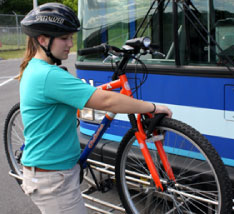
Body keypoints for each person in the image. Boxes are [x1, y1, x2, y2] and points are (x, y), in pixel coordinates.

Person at [19, 3, 172, 214]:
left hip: (53, 172)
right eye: (64, 38)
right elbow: (107, 102)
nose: (70, 44)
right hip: (53, 181)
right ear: (43, 40)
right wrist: (152, 107)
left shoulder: (36, 69)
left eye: (71, 38)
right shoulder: (48, 76)